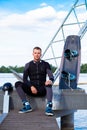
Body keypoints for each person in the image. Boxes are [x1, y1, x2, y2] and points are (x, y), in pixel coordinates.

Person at [15, 46, 54, 116]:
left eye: (38, 53)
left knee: (48, 83)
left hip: (42, 89)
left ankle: (49, 107)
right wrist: (31, 86)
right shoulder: (28, 65)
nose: (37, 54)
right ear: (33, 54)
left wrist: (50, 80)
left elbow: (51, 76)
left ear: (41, 54)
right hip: (32, 89)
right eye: (35, 53)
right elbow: (24, 79)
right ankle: (27, 105)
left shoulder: (46, 64)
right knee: (18, 83)